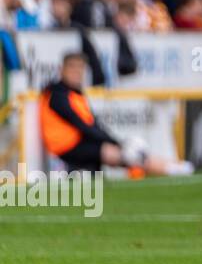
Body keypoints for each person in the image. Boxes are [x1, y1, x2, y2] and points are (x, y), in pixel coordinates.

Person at [40, 52, 193, 176]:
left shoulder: (75, 94)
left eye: (80, 69)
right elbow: (83, 125)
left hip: (79, 143)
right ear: (62, 70)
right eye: (72, 68)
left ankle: (170, 165)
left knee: (126, 151)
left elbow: (92, 124)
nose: (77, 73)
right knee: (123, 154)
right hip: (66, 148)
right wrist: (116, 142)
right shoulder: (57, 95)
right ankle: (170, 169)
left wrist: (115, 141)